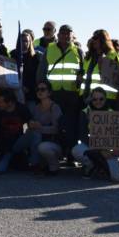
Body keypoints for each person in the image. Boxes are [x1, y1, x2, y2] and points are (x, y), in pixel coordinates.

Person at [37, 24, 84, 159]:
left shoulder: (79, 51)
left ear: (72, 35)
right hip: (54, 94)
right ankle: (56, 152)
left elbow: (83, 71)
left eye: (68, 33)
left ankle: (70, 154)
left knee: (71, 125)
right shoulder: (50, 49)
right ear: (58, 35)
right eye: (63, 33)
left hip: (72, 94)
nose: (65, 35)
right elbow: (42, 71)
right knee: (55, 124)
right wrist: (42, 90)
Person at [72, 87, 119, 182]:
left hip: (109, 149)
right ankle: (91, 165)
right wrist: (99, 150)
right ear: (91, 100)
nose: (98, 101)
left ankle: (101, 166)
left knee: (116, 178)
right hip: (91, 147)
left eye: (101, 99)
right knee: (76, 150)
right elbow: (82, 135)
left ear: (105, 99)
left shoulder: (112, 113)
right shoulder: (85, 112)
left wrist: (117, 149)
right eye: (94, 99)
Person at [0, 89, 36, 174]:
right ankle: (7, 157)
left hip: (18, 143)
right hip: (3, 143)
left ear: (10, 103)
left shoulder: (21, 108)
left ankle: (35, 163)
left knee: (34, 134)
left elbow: (30, 124)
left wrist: (32, 123)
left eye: (0, 101)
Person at [30, 82, 64, 174]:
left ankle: (54, 167)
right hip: (39, 140)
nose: (39, 92)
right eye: (37, 89)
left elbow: (56, 129)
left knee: (43, 147)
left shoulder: (55, 107)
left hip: (54, 143)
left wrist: (40, 128)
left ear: (49, 93)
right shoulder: (36, 107)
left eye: (43, 89)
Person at [11, 29, 40, 105]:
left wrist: (29, 88)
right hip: (15, 93)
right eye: (22, 41)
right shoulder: (13, 54)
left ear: (30, 42)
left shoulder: (35, 56)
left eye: (26, 41)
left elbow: (37, 75)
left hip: (31, 94)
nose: (24, 43)